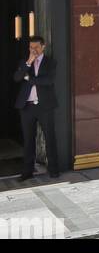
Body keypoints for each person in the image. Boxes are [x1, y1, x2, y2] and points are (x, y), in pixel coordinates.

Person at [13, 35, 59, 181]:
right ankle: (27, 172)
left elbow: (49, 80)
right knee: (28, 140)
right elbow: (17, 78)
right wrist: (28, 63)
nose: (34, 50)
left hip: (45, 106)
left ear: (43, 46)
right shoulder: (24, 62)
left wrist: (30, 79)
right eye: (31, 48)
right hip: (27, 106)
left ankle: (53, 170)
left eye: (37, 47)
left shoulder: (50, 62)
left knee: (49, 138)